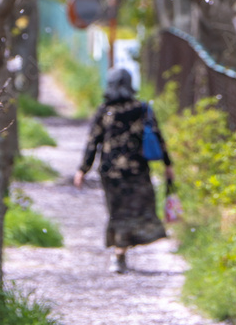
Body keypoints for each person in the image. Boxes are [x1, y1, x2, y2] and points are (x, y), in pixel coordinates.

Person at [73, 67, 174, 273]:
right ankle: (127, 245)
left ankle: (120, 252)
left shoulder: (105, 110)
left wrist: (82, 169)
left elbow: (93, 142)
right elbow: (157, 137)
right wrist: (167, 164)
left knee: (117, 211)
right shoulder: (142, 109)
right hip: (137, 170)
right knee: (138, 208)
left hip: (111, 172)